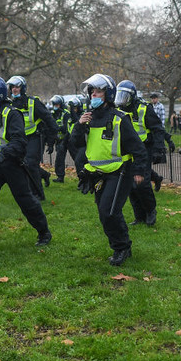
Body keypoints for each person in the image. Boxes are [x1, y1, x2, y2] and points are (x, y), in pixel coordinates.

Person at [71, 74, 149, 265]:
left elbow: (138, 149)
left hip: (120, 171)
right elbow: (75, 143)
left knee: (109, 211)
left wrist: (139, 171)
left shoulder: (119, 119)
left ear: (108, 94)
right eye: (91, 92)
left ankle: (121, 248)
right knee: (106, 212)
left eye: (98, 91)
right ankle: (124, 245)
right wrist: (79, 126)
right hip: (97, 174)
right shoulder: (87, 119)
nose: (93, 95)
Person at [0, 76, 52, 255]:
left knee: (25, 200)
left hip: (11, 165)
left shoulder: (11, 113)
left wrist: (3, 156)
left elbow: (19, 141)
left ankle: (44, 232)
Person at [114, 80, 168, 226]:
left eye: (125, 96)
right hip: (127, 150)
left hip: (144, 149)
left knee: (142, 183)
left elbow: (158, 129)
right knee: (130, 186)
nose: (122, 99)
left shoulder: (144, 109)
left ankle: (151, 210)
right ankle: (139, 216)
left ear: (132, 96)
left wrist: (158, 149)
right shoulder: (119, 110)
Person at [5, 76, 58, 200]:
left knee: (30, 164)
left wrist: (51, 141)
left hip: (34, 138)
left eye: (17, 87)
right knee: (21, 166)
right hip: (19, 140)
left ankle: (38, 195)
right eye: (12, 87)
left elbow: (50, 121)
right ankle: (39, 181)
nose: (14, 89)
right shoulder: (11, 104)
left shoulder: (33, 102)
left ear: (22, 88)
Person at [49, 95, 74, 183]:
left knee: (76, 158)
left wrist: (57, 128)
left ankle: (82, 176)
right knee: (59, 159)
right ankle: (60, 177)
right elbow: (51, 129)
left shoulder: (66, 113)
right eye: (54, 105)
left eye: (57, 105)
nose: (55, 106)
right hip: (59, 140)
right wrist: (50, 145)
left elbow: (66, 128)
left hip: (67, 139)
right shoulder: (53, 114)